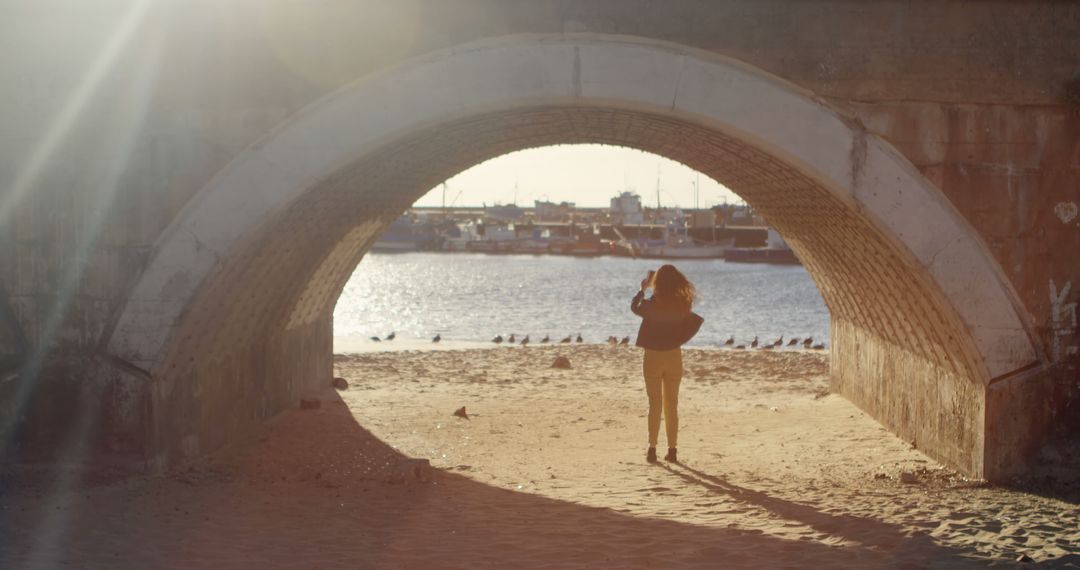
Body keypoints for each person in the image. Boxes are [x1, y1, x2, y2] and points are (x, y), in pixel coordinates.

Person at [630, 264, 703, 464]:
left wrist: (642, 289)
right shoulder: (681, 306)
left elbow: (634, 307)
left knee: (655, 404)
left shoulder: (651, 306)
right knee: (672, 404)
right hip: (673, 356)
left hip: (652, 357)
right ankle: (672, 451)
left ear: (657, 284)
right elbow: (691, 320)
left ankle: (652, 449)